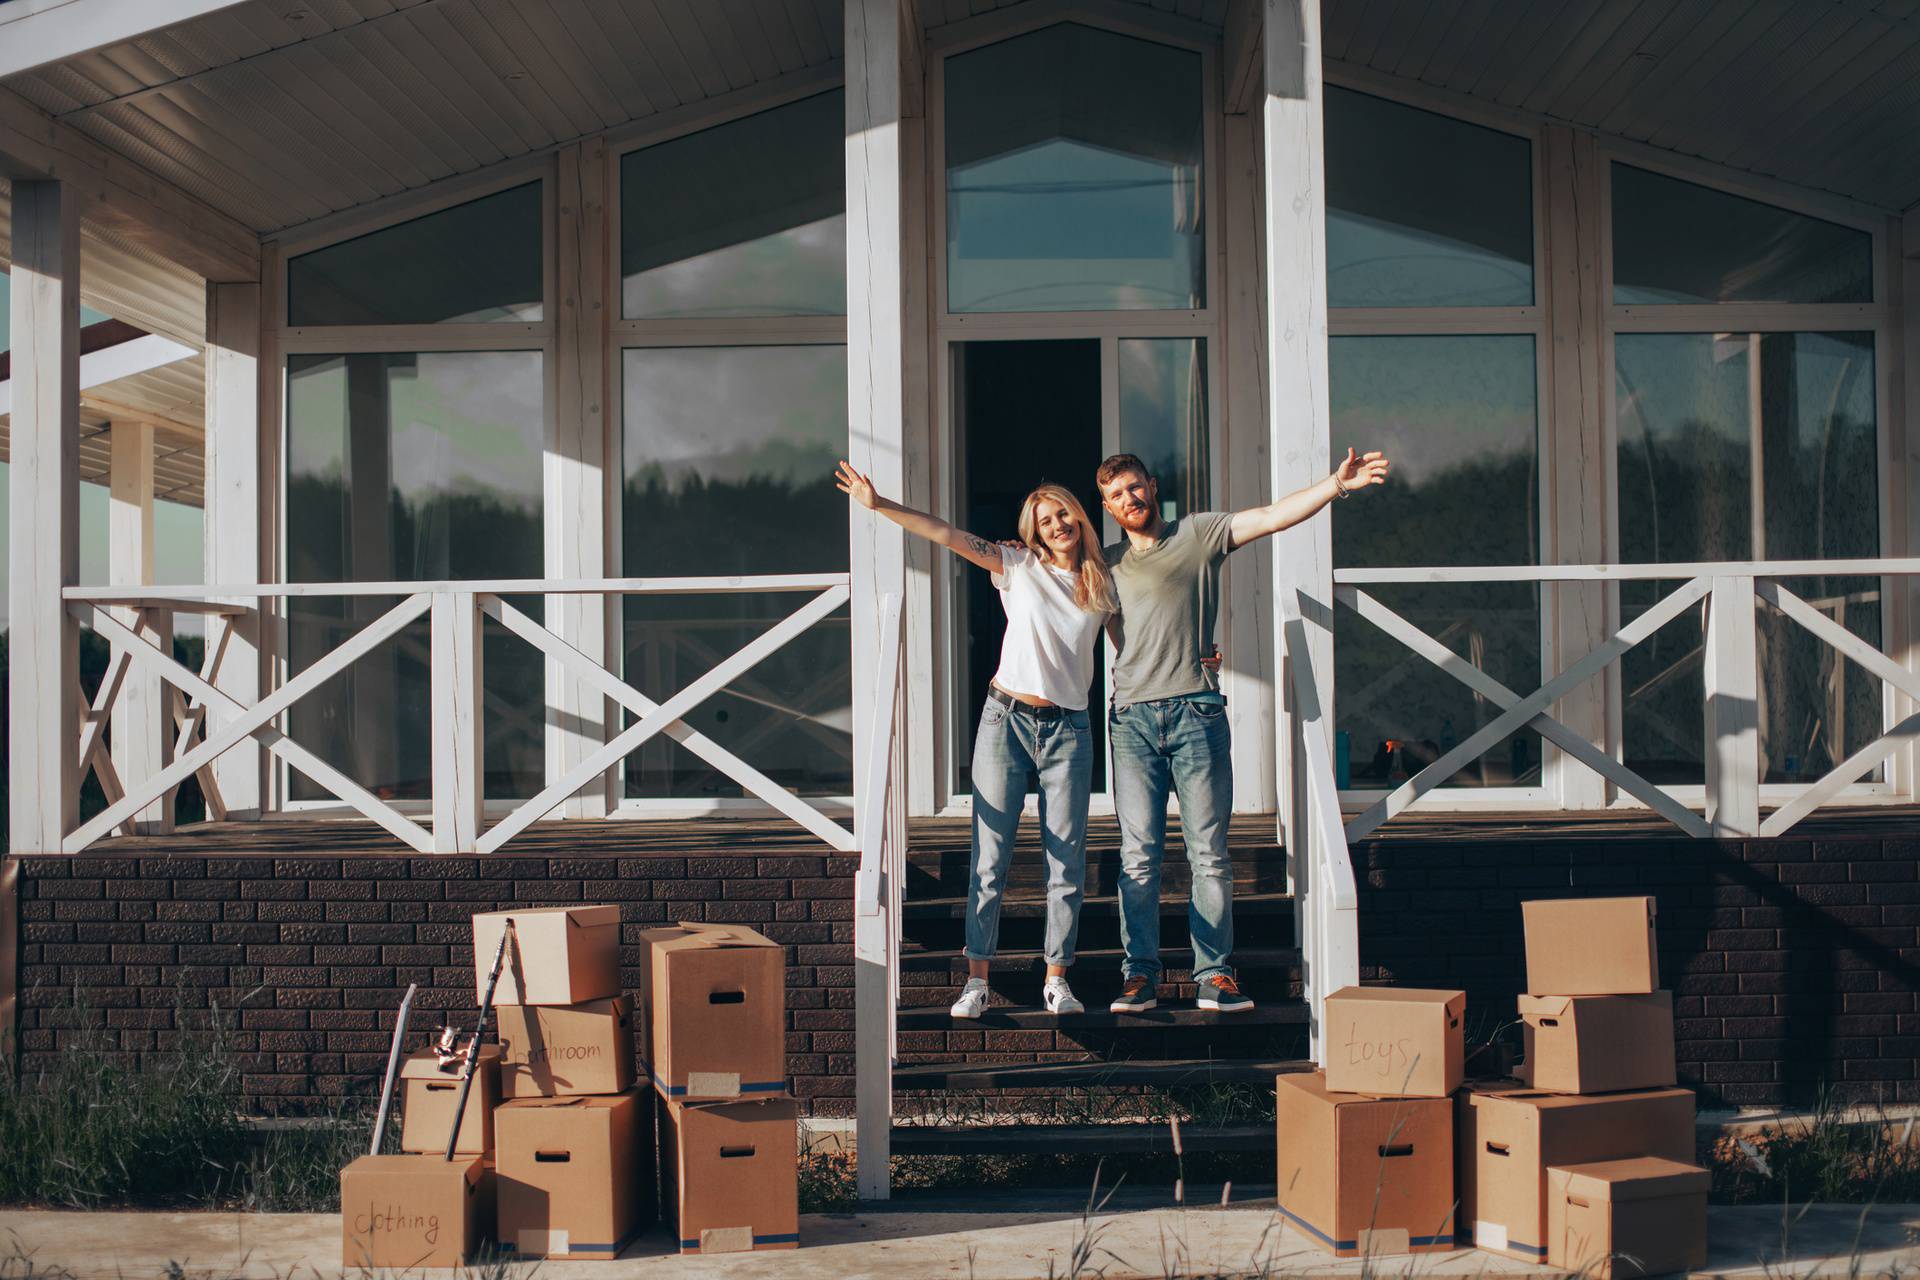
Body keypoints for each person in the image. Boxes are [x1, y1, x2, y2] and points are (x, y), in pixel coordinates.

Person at [1097, 447, 1390, 1015]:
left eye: (1135, 488)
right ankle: (1139, 977)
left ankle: (1215, 976)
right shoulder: (1106, 564)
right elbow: (1117, 633)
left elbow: (1273, 515)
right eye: (1115, 495)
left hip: (1196, 714)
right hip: (1131, 720)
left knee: (1208, 854)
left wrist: (1335, 484)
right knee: (1138, 858)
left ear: (1152, 487)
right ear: (1107, 507)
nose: (1128, 500)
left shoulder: (1199, 533)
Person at [837, 460, 1117, 1019]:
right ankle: (977, 980)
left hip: (1070, 729)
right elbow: (944, 533)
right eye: (1044, 520)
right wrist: (881, 505)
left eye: (1063, 512)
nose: (1057, 524)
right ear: (1032, 532)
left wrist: (1200, 657)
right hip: (1005, 722)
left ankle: (1057, 978)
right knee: (990, 857)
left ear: (1080, 516)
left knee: (1066, 861)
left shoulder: (1104, 578)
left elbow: (1142, 636)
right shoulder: (1015, 563)